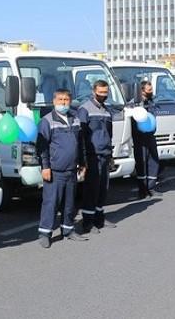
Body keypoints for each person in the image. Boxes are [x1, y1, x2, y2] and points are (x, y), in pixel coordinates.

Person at [36, 89, 89, 248]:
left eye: (66, 100)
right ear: (54, 101)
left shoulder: (75, 119)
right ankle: (45, 233)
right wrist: (45, 167)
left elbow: (80, 144)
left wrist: (83, 163)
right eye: (60, 99)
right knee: (51, 203)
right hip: (55, 171)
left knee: (69, 203)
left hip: (72, 170)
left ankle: (68, 229)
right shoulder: (47, 121)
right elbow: (42, 147)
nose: (63, 102)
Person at [77, 79, 117, 234]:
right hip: (92, 155)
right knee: (91, 189)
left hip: (105, 154)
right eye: (100, 93)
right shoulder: (85, 109)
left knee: (103, 188)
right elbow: (81, 135)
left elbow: (109, 134)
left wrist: (111, 155)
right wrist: (83, 159)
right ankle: (88, 222)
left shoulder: (107, 110)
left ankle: (99, 217)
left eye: (105, 93)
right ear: (93, 92)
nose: (103, 95)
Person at [128, 81, 162, 199]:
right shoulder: (134, 104)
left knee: (153, 161)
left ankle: (151, 188)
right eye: (148, 90)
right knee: (141, 163)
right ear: (141, 91)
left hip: (150, 136)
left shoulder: (151, 102)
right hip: (139, 138)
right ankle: (142, 190)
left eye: (151, 89)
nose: (151, 92)